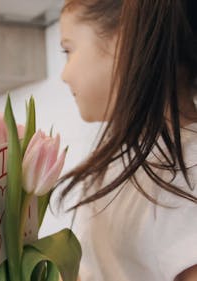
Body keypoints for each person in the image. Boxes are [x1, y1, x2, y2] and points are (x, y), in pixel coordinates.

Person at [57, 0, 197, 280]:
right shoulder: (125, 160)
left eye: (68, 50)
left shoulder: (188, 171)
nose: (64, 74)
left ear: (125, 41)